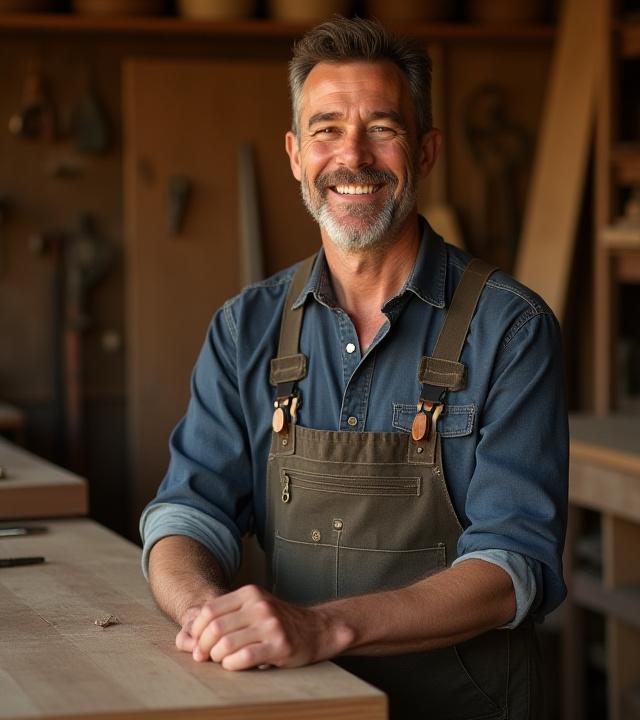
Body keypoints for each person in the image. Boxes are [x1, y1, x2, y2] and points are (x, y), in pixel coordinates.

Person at [141, 16, 568, 719]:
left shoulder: (511, 328)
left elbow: (512, 567)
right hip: (295, 702)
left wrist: (322, 626)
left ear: (426, 152)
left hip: (469, 705)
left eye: (383, 128)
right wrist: (207, 616)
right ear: (295, 154)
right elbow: (189, 513)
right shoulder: (245, 327)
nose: (354, 156)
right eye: (327, 128)